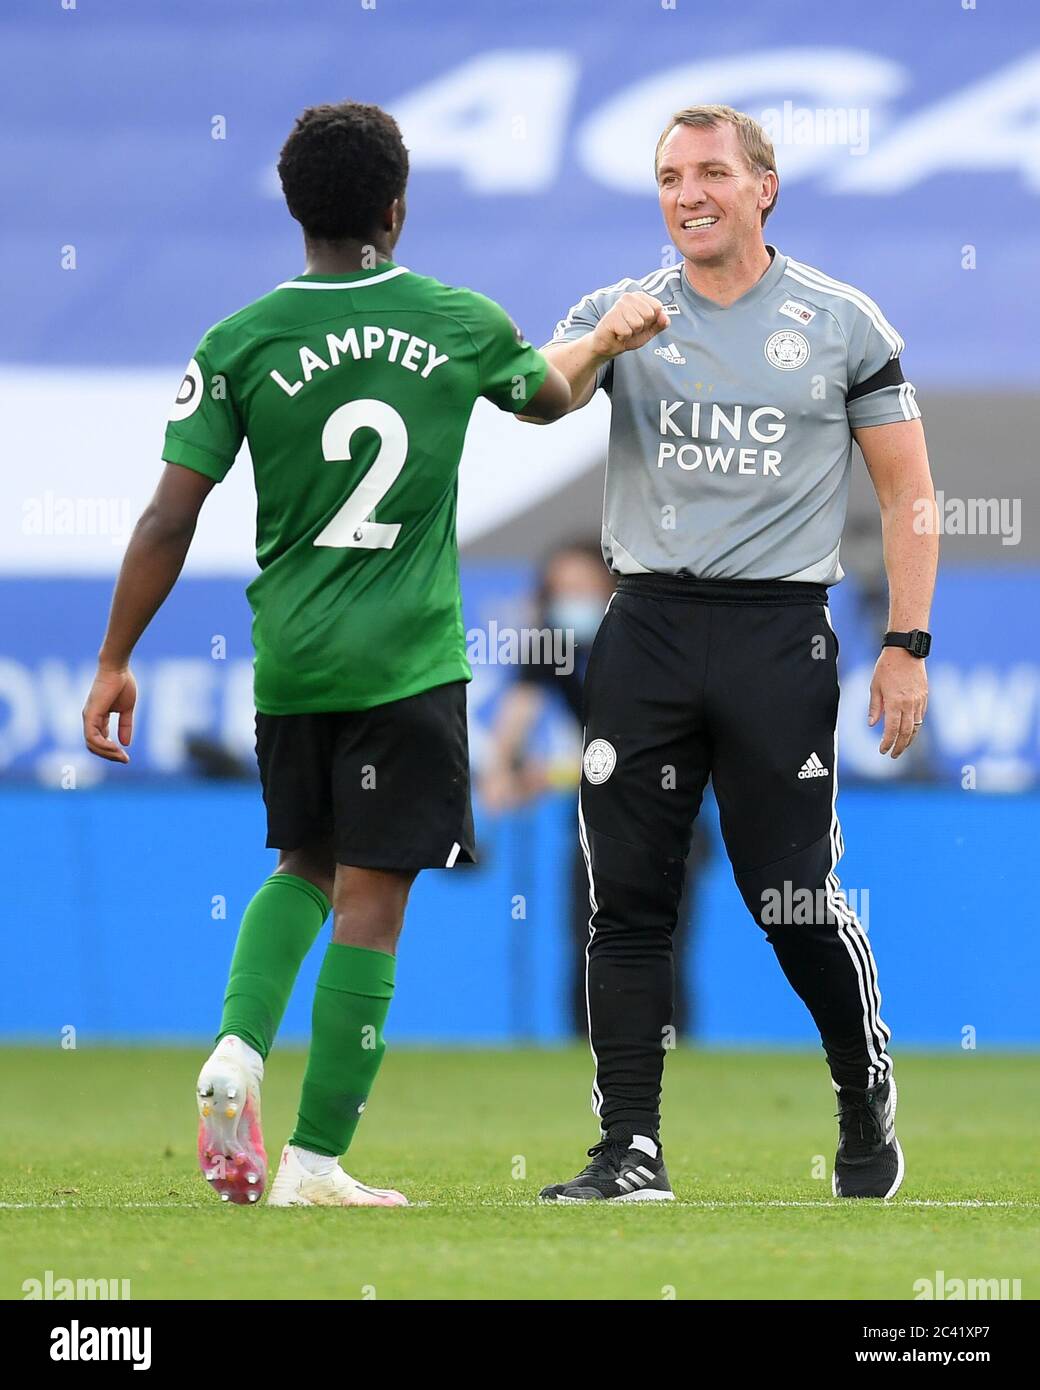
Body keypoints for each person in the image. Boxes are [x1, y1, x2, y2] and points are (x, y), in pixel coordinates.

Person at [81, 100, 570, 1208]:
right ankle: (310, 1159)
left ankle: (237, 1049)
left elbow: (168, 518)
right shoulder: (455, 321)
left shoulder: (241, 340)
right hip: (406, 665)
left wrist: (114, 658)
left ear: (297, 211)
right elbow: (552, 396)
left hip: (292, 663)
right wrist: (605, 340)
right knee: (374, 898)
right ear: (396, 209)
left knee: (302, 860)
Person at [522, 104, 937, 1202]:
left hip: (775, 637)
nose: (686, 192)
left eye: (709, 171)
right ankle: (630, 1151)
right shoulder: (622, 308)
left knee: (787, 897)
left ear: (763, 186)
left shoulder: (839, 321)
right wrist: (603, 343)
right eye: (666, 176)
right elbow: (535, 398)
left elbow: (908, 493)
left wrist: (905, 642)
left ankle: (861, 1092)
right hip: (646, 627)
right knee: (627, 903)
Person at [480, 540, 706, 1035]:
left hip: (668, 816)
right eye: (560, 590)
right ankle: (589, 1060)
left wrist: (552, 772)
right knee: (588, 940)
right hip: (595, 820)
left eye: (582, 588)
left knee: (660, 946)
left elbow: (639, 744)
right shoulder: (553, 644)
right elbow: (519, 707)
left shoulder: (651, 639)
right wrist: (499, 773)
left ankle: (669, 1060)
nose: (571, 599)